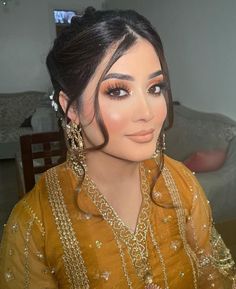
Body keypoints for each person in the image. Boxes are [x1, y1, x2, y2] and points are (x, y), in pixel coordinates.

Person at [0, 7, 235, 289]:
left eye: (155, 88)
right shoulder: (35, 223)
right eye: (118, 91)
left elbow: (214, 275)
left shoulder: (182, 185)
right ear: (71, 106)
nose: (147, 111)